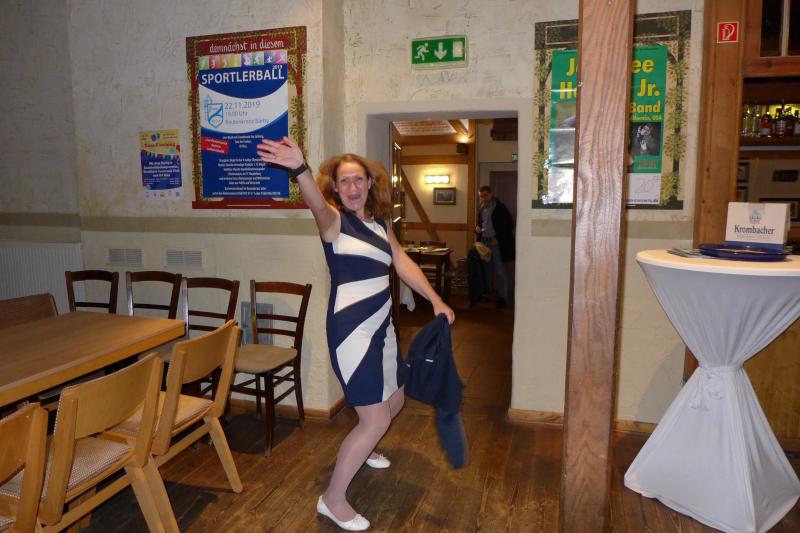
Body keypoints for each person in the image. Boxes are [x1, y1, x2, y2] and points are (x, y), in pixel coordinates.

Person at [257, 137, 454, 531]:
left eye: (358, 180)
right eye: (344, 181)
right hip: (351, 332)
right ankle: (332, 499)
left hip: (382, 328)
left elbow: (402, 263)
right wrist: (300, 169)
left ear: (369, 184)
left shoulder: (381, 225)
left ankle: (363, 449)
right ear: (335, 187)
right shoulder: (333, 223)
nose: (351, 187)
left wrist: (435, 299)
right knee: (374, 419)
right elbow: (316, 204)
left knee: (395, 399)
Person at [474, 185, 515, 307]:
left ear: (491, 194)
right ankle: (487, 294)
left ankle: (503, 297)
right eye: (481, 196)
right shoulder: (481, 208)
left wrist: (498, 238)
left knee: (499, 270)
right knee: (486, 270)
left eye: (485, 195)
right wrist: (477, 228)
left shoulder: (500, 207)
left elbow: (509, 224)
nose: (483, 198)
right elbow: (480, 223)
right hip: (484, 241)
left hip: (495, 242)